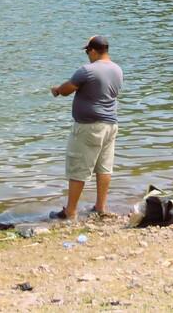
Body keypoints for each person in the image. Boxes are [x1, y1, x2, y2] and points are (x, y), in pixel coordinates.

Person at [49, 35, 123, 220]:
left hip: (89, 127)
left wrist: (57, 90)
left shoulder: (87, 70)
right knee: (104, 167)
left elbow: (67, 90)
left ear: (93, 50)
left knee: (78, 167)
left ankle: (70, 211)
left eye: (87, 51)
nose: (87, 55)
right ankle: (100, 207)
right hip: (110, 125)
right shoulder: (117, 69)